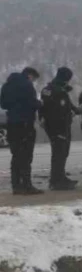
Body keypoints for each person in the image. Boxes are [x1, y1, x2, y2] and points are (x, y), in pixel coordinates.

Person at [0, 67, 43, 195]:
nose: (34, 81)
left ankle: (16, 186)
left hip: (12, 124)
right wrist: (40, 103)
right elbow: (32, 104)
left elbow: (3, 105)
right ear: (30, 75)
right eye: (34, 79)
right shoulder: (27, 85)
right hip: (25, 124)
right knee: (26, 156)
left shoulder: (6, 86)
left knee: (16, 155)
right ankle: (27, 185)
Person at [39, 66, 81, 190]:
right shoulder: (60, 91)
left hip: (50, 126)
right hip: (60, 127)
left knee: (59, 153)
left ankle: (59, 177)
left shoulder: (47, 89)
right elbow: (63, 109)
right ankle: (57, 181)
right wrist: (76, 111)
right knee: (60, 154)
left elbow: (43, 107)